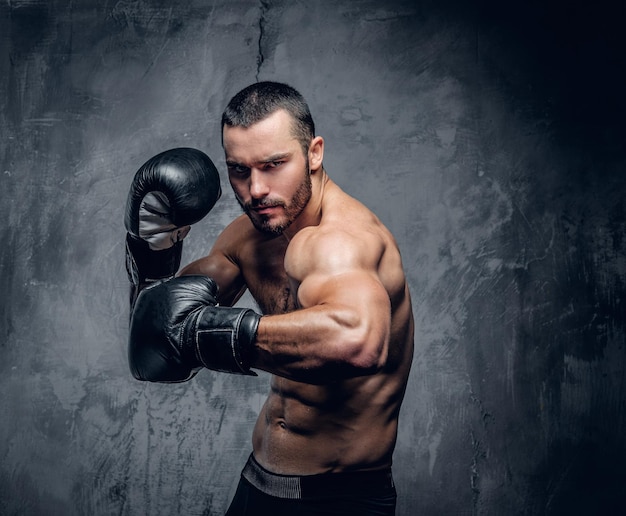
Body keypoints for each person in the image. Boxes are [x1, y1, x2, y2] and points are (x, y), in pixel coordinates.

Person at [124, 82, 414, 515]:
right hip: (257, 484)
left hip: (339, 498)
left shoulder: (342, 241)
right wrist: (155, 249)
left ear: (314, 153)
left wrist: (212, 334)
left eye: (273, 164)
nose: (256, 189)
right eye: (239, 170)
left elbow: (358, 341)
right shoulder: (249, 238)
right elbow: (156, 339)